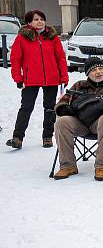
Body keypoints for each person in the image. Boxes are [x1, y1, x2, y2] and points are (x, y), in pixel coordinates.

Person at [53, 58, 103, 181]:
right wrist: (64, 108)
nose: (98, 72)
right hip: (82, 122)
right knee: (62, 122)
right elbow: (62, 101)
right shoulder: (79, 85)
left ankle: (101, 166)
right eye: (94, 70)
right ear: (88, 74)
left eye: (101, 68)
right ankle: (68, 166)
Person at [7, 10, 69, 149]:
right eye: (36, 19)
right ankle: (17, 138)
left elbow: (60, 58)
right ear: (29, 22)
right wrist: (18, 78)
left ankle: (47, 137)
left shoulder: (52, 37)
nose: (40, 21)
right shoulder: (22, 38)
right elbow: (15, 59)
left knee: (50, 108)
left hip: (52, 79)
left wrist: (64, 76)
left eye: (42, 19)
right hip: (30, 79)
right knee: (26, 108)